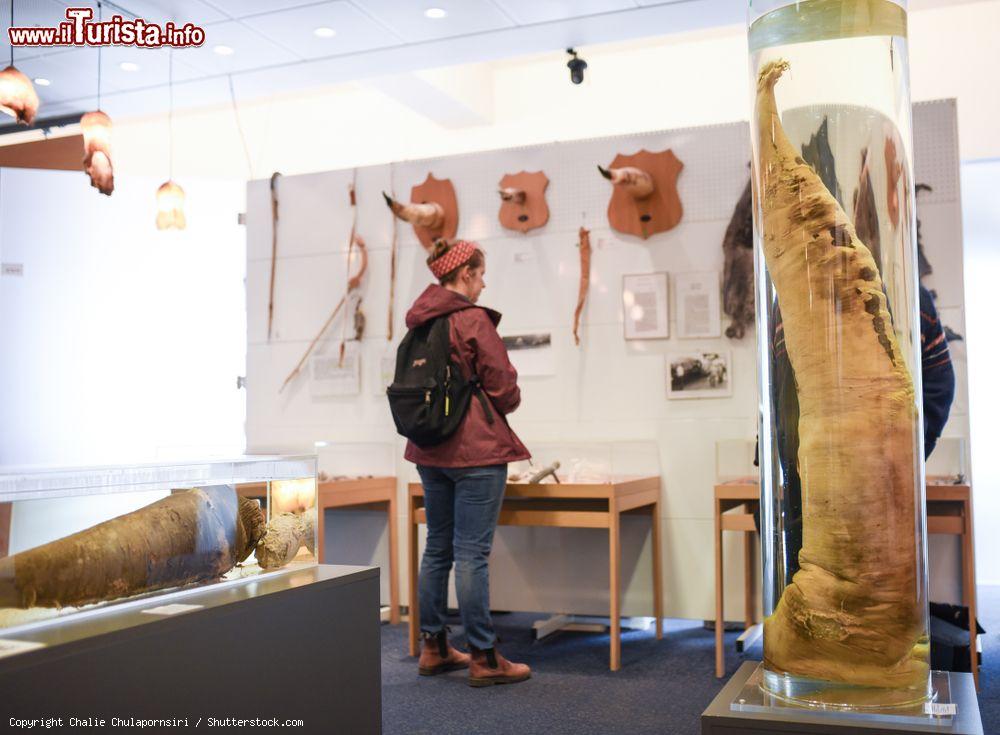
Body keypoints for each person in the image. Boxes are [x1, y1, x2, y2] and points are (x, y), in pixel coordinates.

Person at [404, 239, 532, 687]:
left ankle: (434, 647)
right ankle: (484, 656)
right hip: (476, 451)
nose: (483, 282)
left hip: (427, 451)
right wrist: (504, 400)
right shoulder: (472, 319)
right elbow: (503, 388)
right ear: (464, 276)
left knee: (437, 548)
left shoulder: (419, 322)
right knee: (471, 554)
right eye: (480, 274)